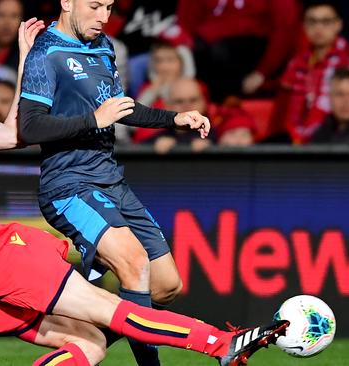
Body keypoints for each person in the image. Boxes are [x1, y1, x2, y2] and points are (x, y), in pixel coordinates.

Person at [0, 23, 289, 366]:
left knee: (87, 345)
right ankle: (221, 343)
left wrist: (27, 58)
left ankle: (216, 343)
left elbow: (13, 133)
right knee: (110, 309)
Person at [18, 1, 210, 364]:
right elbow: (29, 127)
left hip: (111, 181)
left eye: (108, 7)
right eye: (94, 6)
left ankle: (85, 341)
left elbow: (120, 107)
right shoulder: (47, 52)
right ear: (67, 2)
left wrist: (175, 118)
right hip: (69, 185)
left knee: (166, 285)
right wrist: (93, 119)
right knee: (136, 264)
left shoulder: (102, 46)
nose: (104, 17)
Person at [275, 0, 349, 144]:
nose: (318, 28)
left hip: (334, 142)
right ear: (304, 26)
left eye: (326, 22)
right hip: (293, 141)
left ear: (338, 25)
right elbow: (281, 111)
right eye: (312, 22)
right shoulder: (296, 62)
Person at [153, 78, 212, 154]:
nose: (187, 106)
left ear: (204, 103)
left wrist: (212, 147)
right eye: (179, 101)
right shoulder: (157, 139)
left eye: (193, 100)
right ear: (167, 105)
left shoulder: (220, 136)